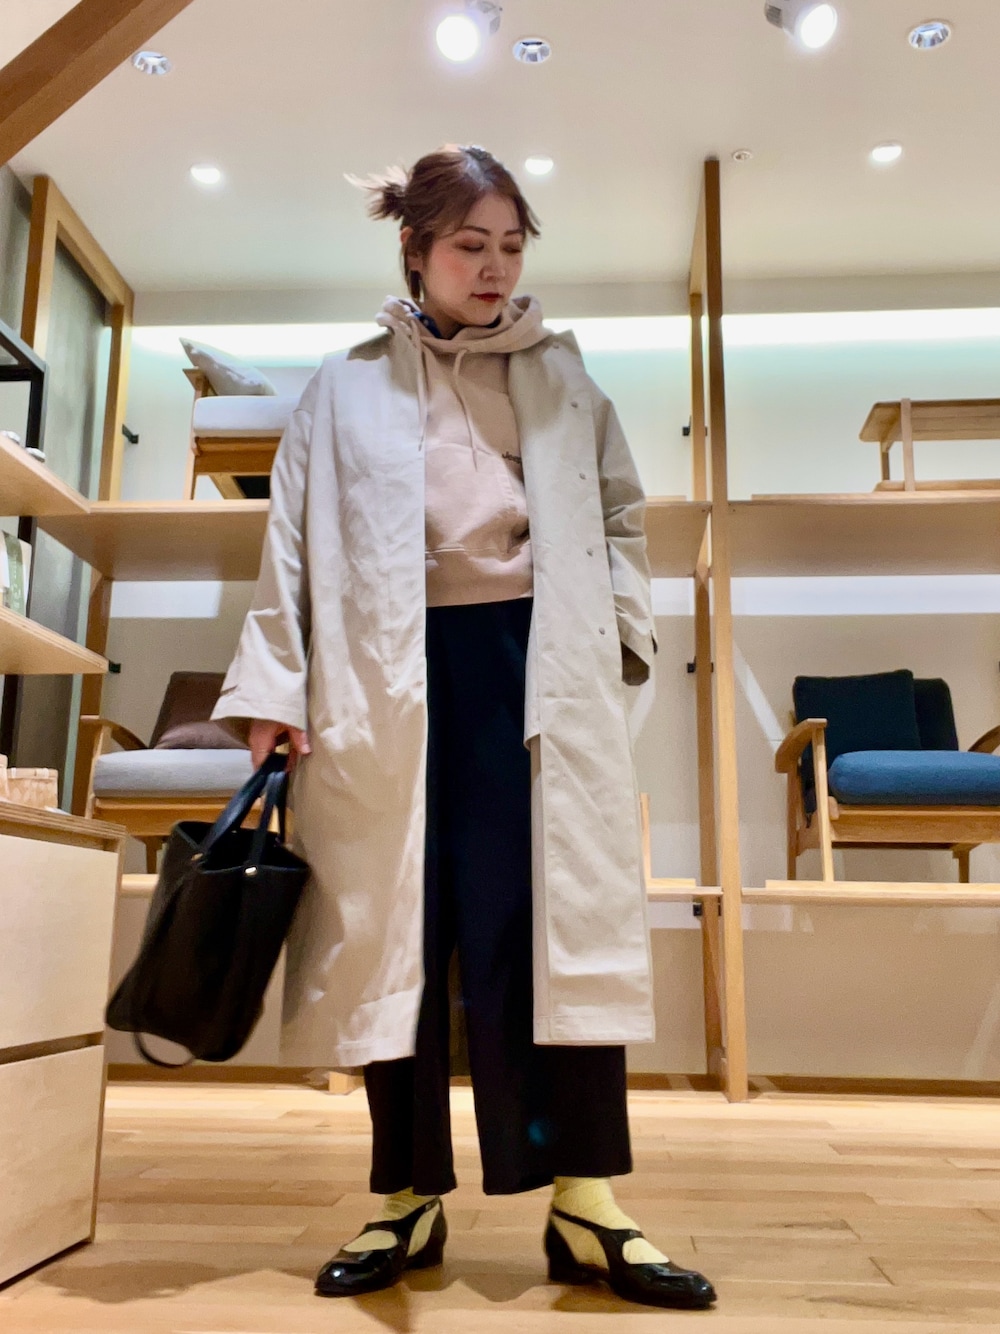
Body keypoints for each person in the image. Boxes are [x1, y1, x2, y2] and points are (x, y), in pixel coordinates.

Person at [212, 145, 716, 1312]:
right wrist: (275, 688)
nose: (493, 269)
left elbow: (622, 517)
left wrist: (622, 638)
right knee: (396, 931)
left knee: (547, 929)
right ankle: (404, 1194)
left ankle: (586, 1199)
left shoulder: (564, 379)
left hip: (535, 670)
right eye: (469, 245)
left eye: (510, 247)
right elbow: (288, 543)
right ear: (415, 247)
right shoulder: (342, 387)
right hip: (381, 678)